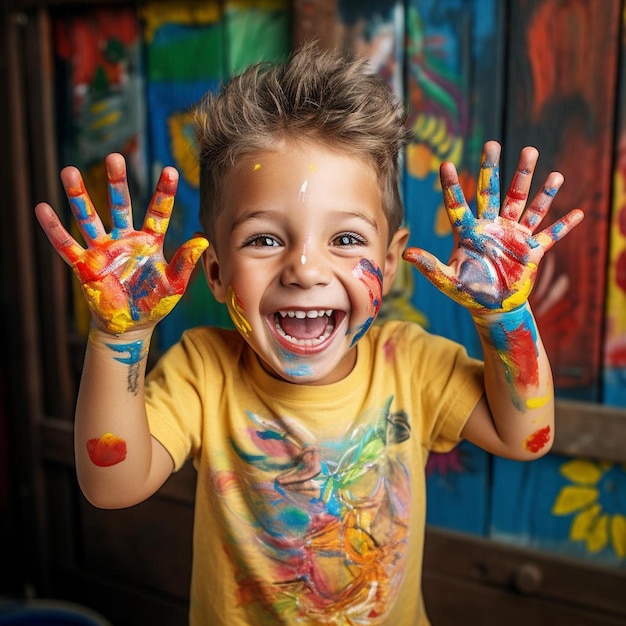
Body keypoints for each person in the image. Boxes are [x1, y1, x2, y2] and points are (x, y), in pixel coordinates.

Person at [35, 44, 583, 626]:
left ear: (391, 263)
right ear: (216, 274)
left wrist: (505, 317)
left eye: (345, 240)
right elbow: (110, 485)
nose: (304, 268)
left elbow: (526, 436)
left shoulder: (411, 363)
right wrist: (119, 335)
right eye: (264, 239)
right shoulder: (203, 370)